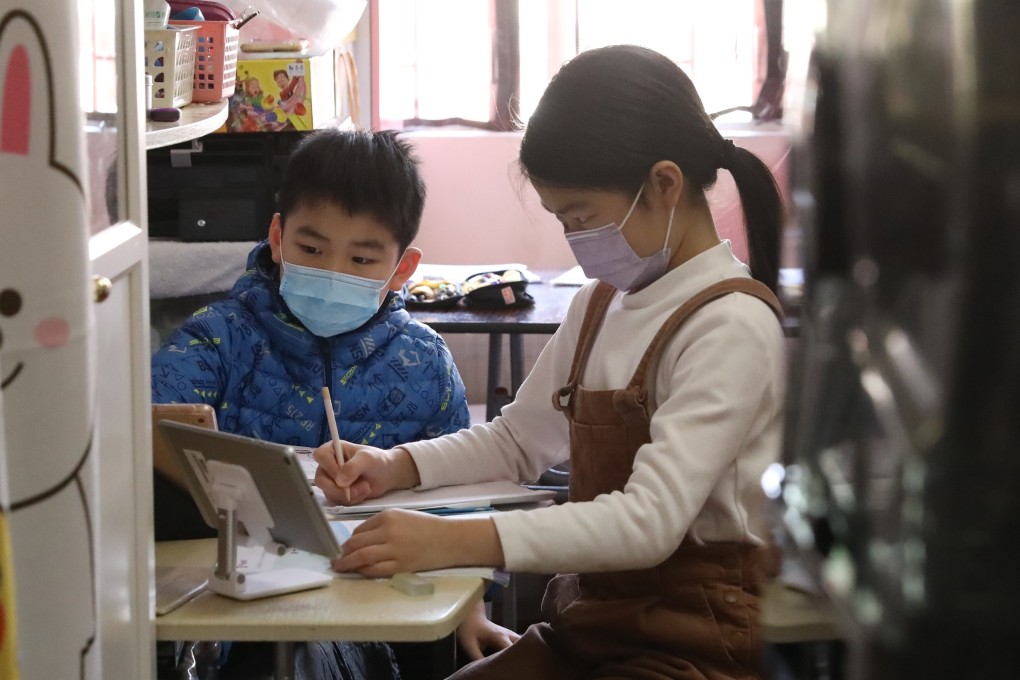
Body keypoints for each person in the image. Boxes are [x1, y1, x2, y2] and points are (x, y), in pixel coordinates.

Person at [313, 45, 787, 679]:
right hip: (593, 629)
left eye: (582, 215)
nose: (573, 237)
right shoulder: (599, 304)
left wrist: (453, 539)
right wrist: (395, 467)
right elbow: (516, 441)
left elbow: (649, 523)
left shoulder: (730, 324)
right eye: (562, 219)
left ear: (665, 185)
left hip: (699, 648)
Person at [151, 128, 516, 679]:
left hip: (379, 611)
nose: (332, 273)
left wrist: (472, 604)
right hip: (243, 612)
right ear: (277, 237)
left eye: (362, 259)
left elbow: (462, 502)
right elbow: (150, 427)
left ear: (402, 267)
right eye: (312, 249)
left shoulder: (426, 364)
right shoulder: (219, 339)